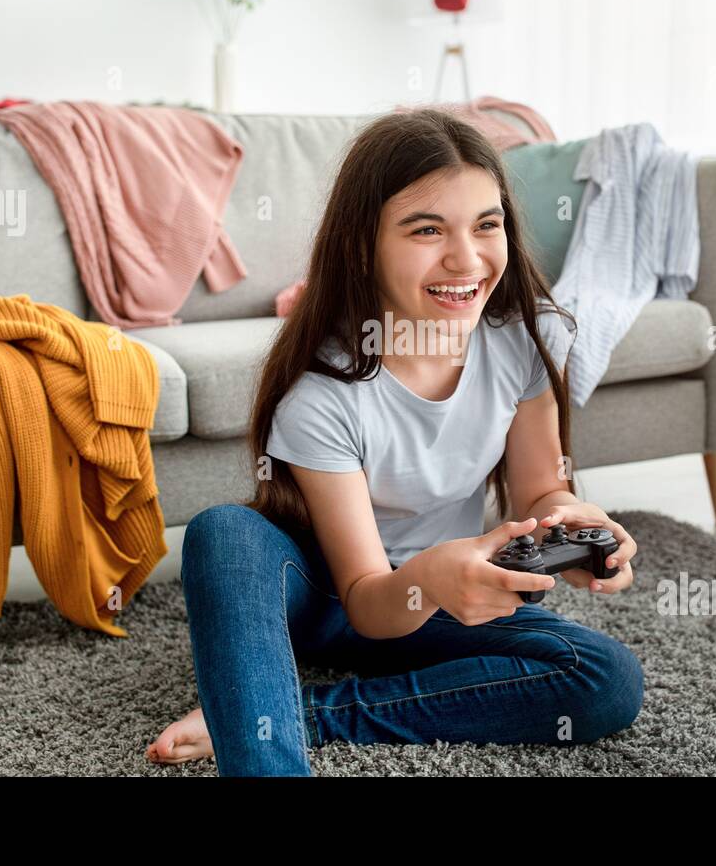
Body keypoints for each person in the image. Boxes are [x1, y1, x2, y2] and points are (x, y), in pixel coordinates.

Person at [146, 107, 644, 775]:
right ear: (363, 245)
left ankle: (296, 712)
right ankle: (265, 744)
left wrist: (570, 517)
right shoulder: (324, 394)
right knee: (224, 534)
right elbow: (366, 599)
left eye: (486, 225)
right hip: (337, 597)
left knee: (605, 678)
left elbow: (538, 487)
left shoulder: (519, 345)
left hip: (447, 595)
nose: (466, 258)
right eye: (427, 229)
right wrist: (431, 579)